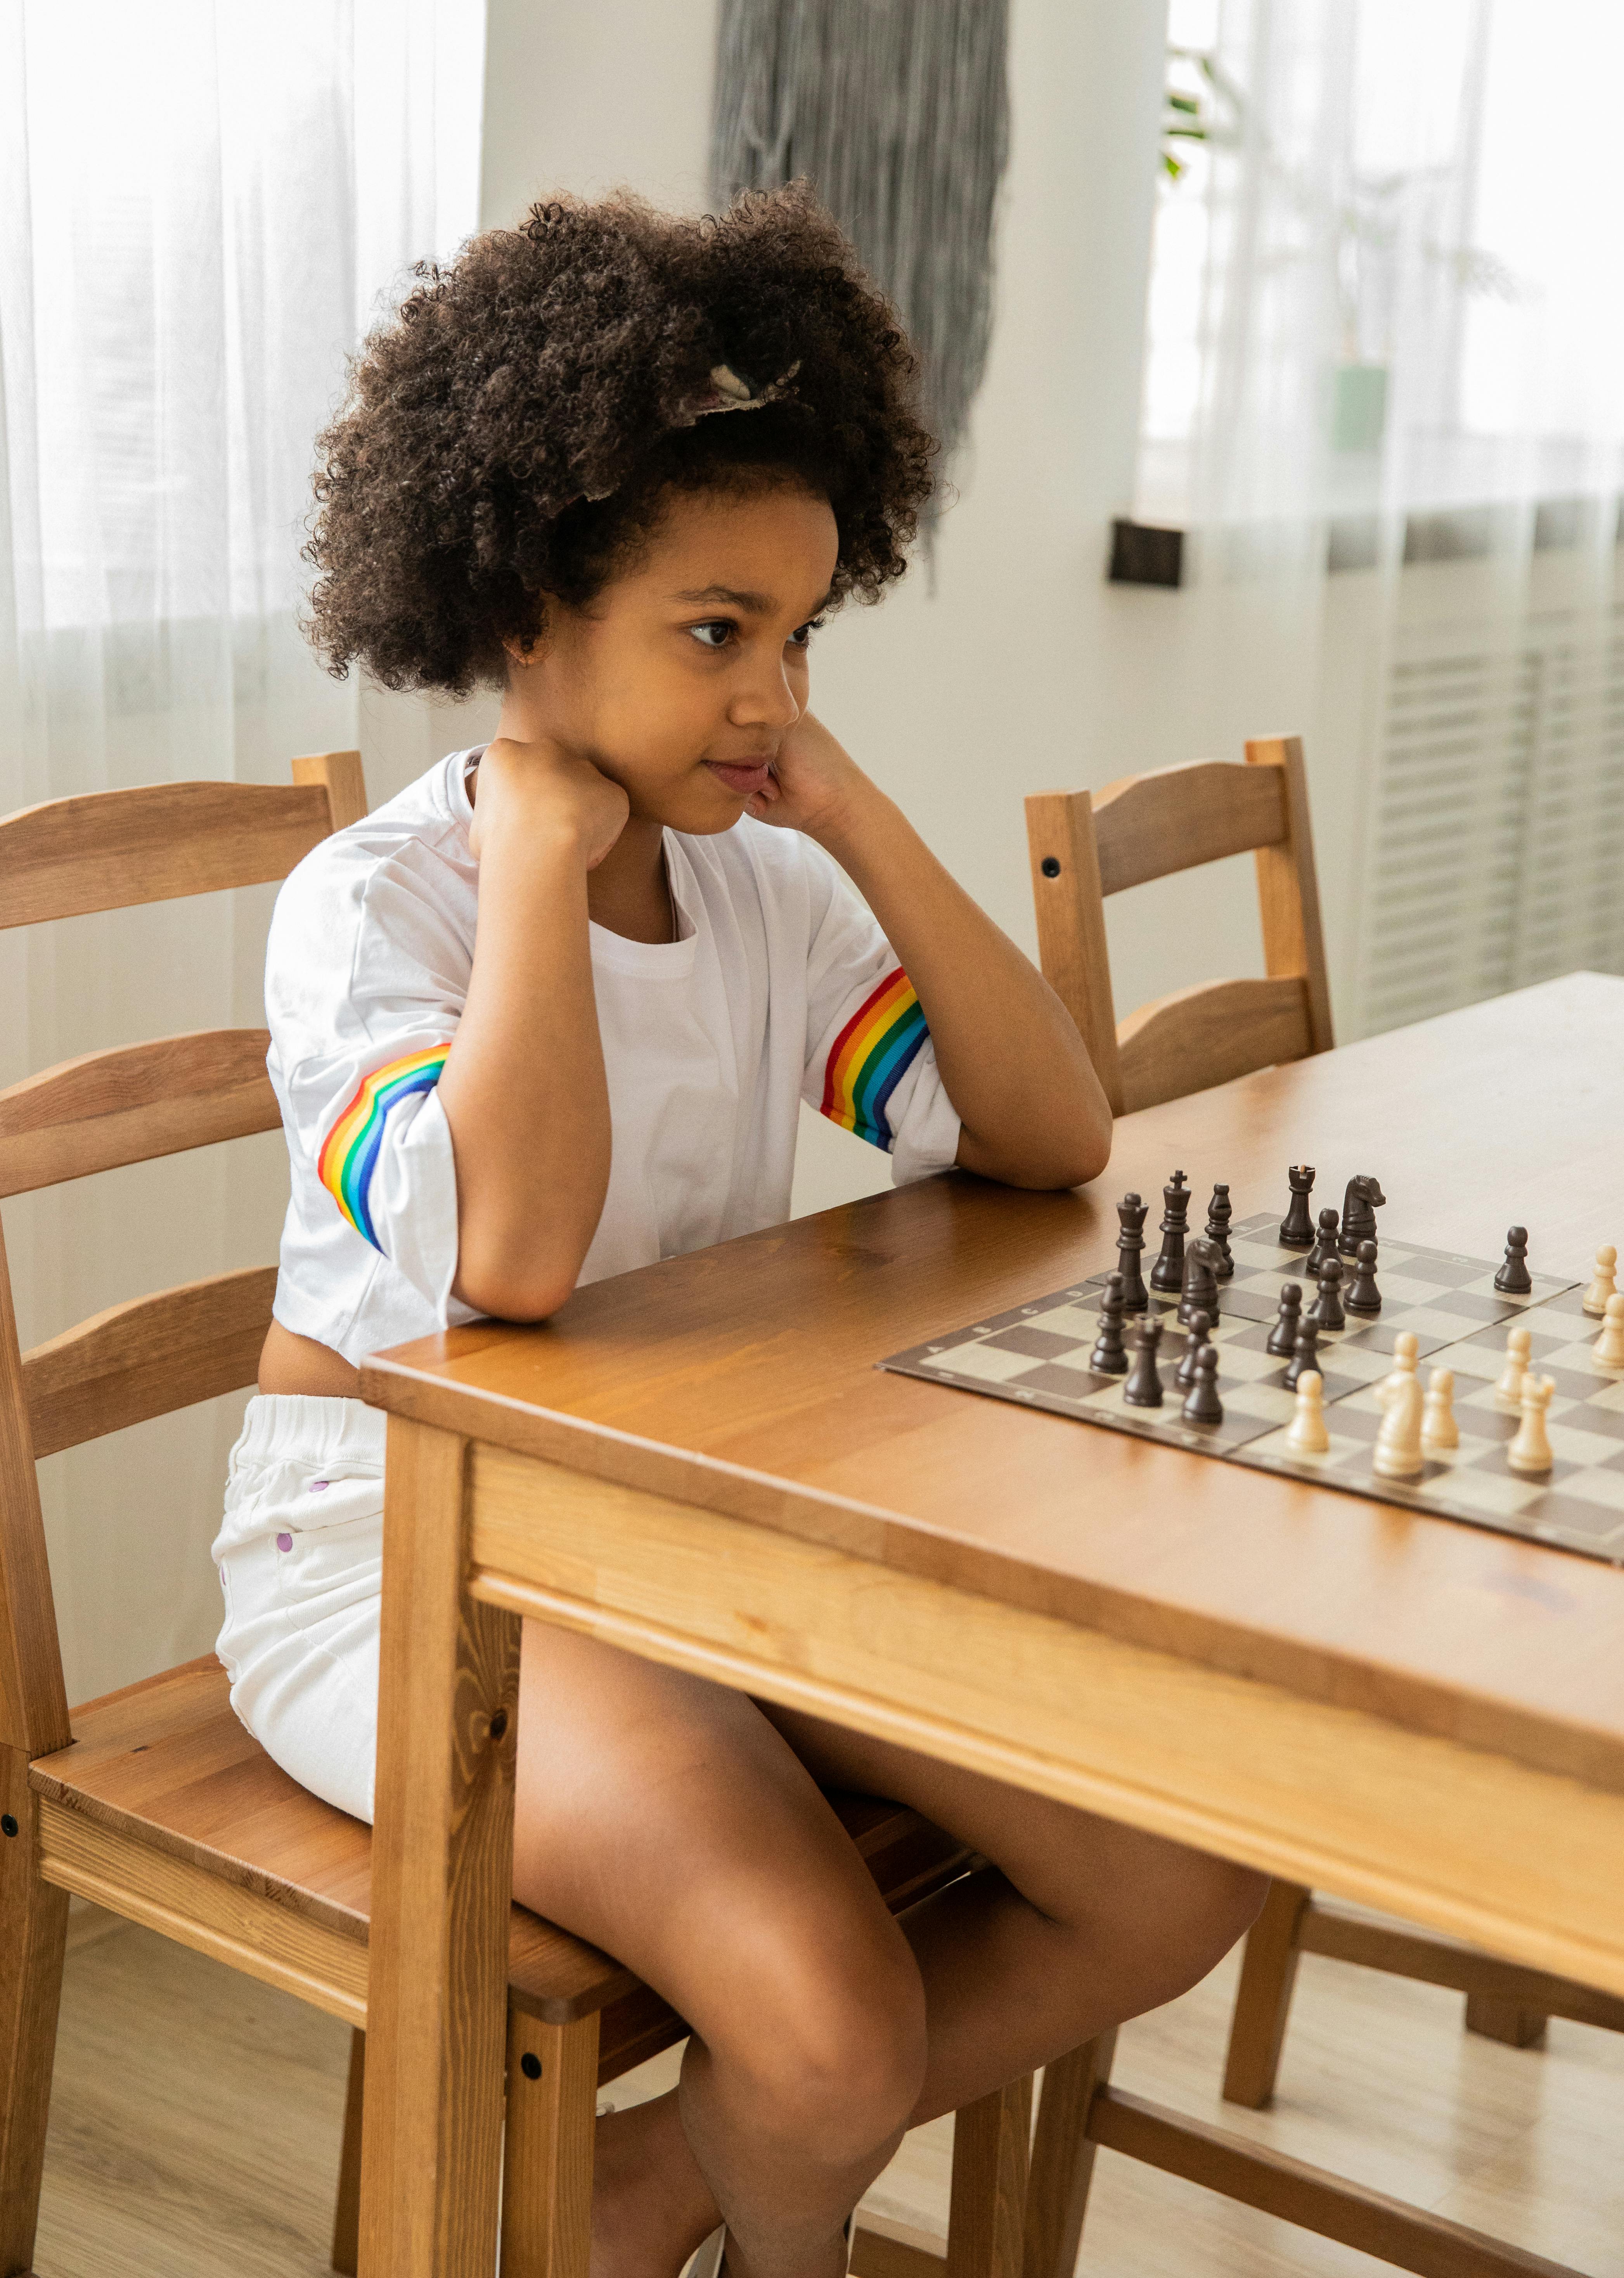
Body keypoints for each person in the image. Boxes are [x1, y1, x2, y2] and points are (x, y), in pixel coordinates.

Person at [212, 186, 1264, 2278]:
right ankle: (763, 2209)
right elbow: (509, 1260)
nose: (768, 691)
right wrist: (531, 869)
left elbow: (1049, 1137)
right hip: (408, 1561)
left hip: (703, 1534)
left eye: (800, 638)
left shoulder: (763, 894)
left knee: (1176, 1876)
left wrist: (851, 809)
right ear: (527, 614)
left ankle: (645, 2198)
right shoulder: (378, 915)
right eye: (717, 634)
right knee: (828, 2021)